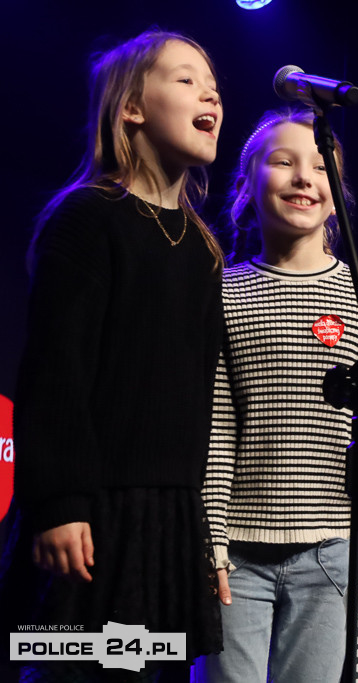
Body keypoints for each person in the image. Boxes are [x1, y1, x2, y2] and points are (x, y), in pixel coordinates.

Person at [5, 29, 225, 681]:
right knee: (75, 668)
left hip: (167, 521)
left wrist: (199, 532)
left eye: (213, 83)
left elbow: (194, 400)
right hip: (94, 511)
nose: (209, 90)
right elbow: (55, 374)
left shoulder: (202, 249)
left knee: (148, 670)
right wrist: (61, 502)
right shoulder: (88, 219)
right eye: (185, 78)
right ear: (132, 106)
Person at [197, 107, 358, 683]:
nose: (303, 177)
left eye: (320, 166)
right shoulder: (223, 292)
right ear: (246, 185)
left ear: (336, 197)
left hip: (333, 550)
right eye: (283, 162)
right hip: (236, 550)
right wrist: (209, 538)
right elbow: (215, 424)